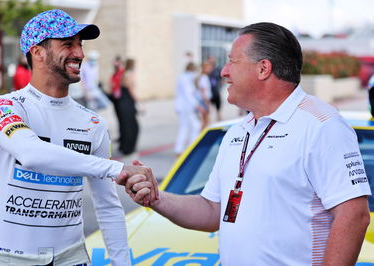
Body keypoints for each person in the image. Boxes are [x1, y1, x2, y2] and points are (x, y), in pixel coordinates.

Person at [119, 22, 372, 265]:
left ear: (263, 69)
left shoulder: (322, 126)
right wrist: (156, 198)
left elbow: (354, 216)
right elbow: (212, 210)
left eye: (232, 61)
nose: (223, 71)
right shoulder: (237, 132)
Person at [0, 9, 157, 266]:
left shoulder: (93, 122)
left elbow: (108, 205)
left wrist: (122, 262)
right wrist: (117, 168)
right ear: (37, 52)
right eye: (67, 44)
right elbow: (32, 153)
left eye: (80, 44)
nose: (79, 53)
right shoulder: (3, 106)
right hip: (10, 258)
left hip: (72, 258)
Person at [174, 62, 202, 156]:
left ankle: (180, 149)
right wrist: (196, 105)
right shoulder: (186, 78)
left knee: (185, 127)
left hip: (184, 107)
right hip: (187, 107)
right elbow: (188, 94)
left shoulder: (184, 77)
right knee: (195, 126)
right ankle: (190, 148)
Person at [117, 58, 139, 157]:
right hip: (127, 102)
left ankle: (125, 148)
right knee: (132, 127)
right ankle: (128, 149)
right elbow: (130, 89)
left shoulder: (125, 73)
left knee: (127, 125)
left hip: (124, 101)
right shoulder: (129, 74)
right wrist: (139, 102)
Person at [196, 60, 213, 130]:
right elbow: (203, 92)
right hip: (204, 100)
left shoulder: (204, 77)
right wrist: (207, 102)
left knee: (205, 121)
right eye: (208, 67)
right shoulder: (203, 77)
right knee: (206, 121)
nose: (210, 69)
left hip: (204, 100)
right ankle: (200, 136)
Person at [207, 56, 223, 121]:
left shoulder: (218, 69)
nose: (212, 62)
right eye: (210, 60)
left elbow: (222, 79)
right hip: (208, 93)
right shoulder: (207, 69)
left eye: (213, 60)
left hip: (216, 92)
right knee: (209, 110)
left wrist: (219, 87)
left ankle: (219, 122)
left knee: (218, 109)